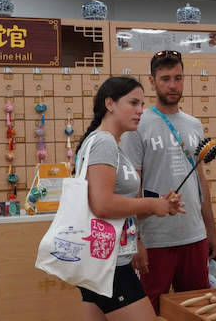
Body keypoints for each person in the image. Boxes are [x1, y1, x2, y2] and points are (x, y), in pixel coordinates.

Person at [74, 76, 185, 321]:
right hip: (108, 264)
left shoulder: (110, 143)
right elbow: (103, 205)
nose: (140, 110)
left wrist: (160, 206)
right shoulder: (103, 142)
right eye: (133, 103)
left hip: (101, 260)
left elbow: (117, 207)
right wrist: (150, 203)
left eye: (142, 104)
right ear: (110, 104)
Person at [122, 50, 216, 314]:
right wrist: (136, 240)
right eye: (165, 78)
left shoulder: (194, 125)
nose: (172, 85)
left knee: (199, 310)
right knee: (150, 312)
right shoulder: (138, 126)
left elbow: (200, 180)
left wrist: (210, 228)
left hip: (193, 235)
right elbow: (133, 188)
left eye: (177, 78)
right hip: (154, 240)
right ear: (152, 82)